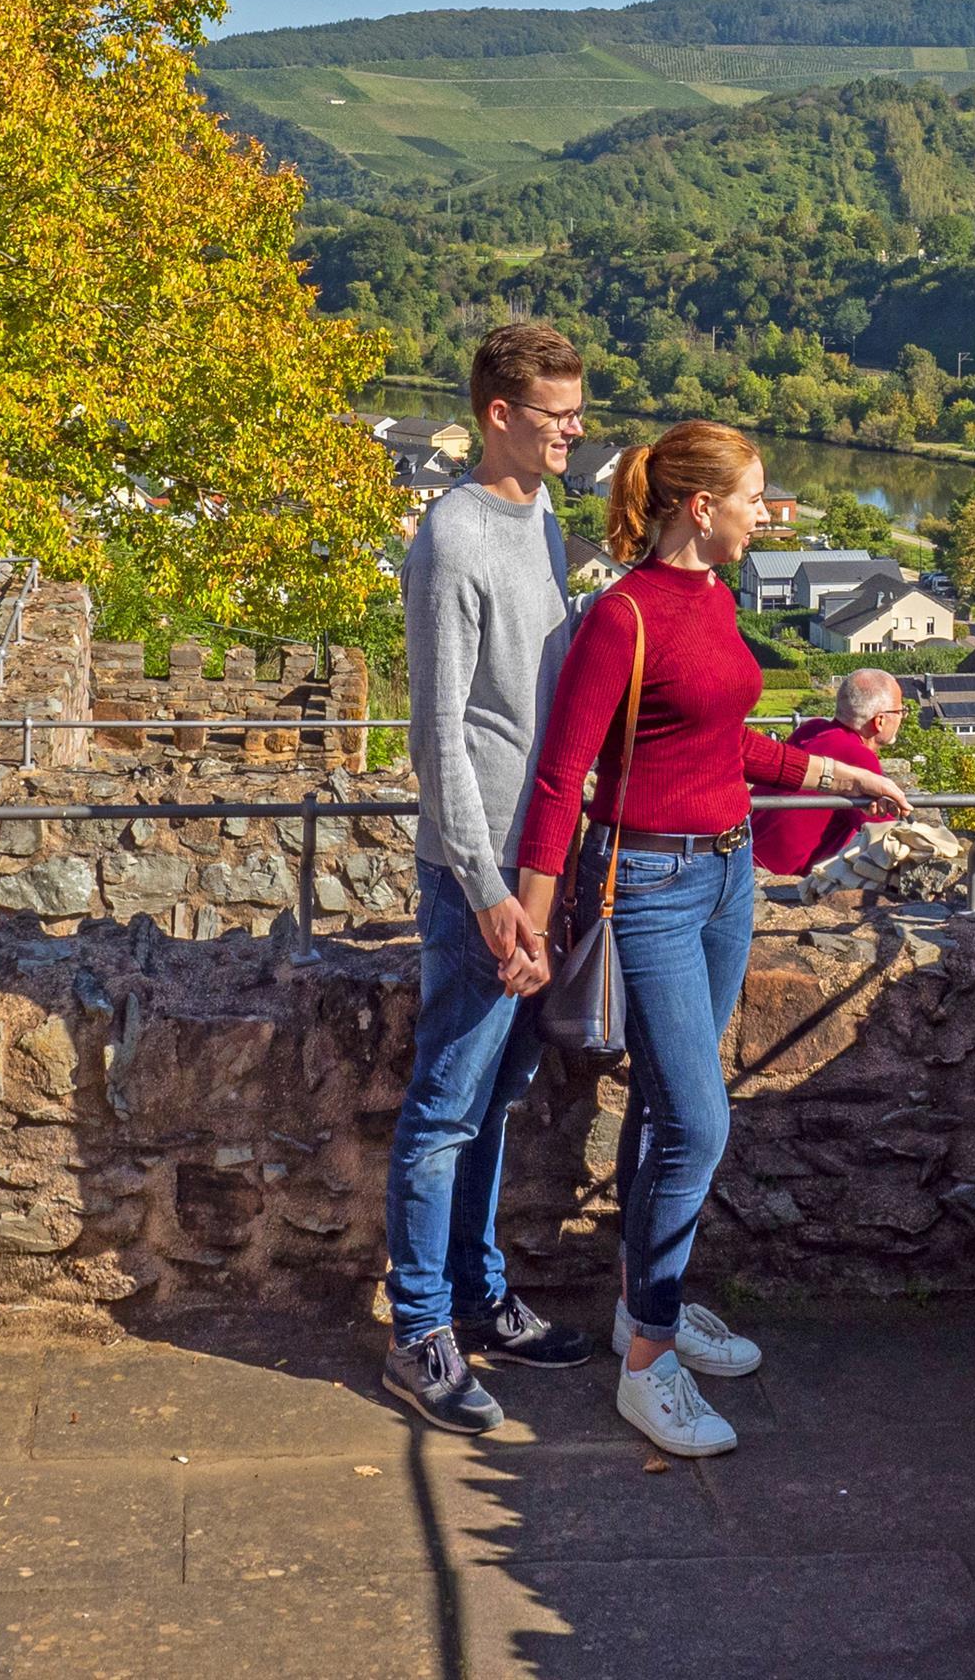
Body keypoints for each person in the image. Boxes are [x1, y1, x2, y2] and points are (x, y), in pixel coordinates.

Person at [514, 419, 907, 1458]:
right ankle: (647, 1364)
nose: (764, 514)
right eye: (753, 498)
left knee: (660, 1109)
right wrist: (528, 909)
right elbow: (563, 774)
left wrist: (840, 776)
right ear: (701, 506)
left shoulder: (713, 600)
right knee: (696, 1123)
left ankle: (645, 1304)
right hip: (644, 882)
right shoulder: (622, 617)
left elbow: (723, 740)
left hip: (730, 869)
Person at [379, 320, 602, 1435]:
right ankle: (418, 1328)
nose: (576, 430)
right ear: (499, 416)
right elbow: (441, 739)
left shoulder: (540, 514)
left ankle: (472, 1294)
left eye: (578, 411)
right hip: (486, 884)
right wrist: (486, 890)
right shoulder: (453, 539)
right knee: (443, 1109)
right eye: (558, 414)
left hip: (537, 866)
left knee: (494, 1101)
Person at [754, 667, 906, 877]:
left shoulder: (812, 728)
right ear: (879, 721)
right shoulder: (859, 758)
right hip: (777, 879)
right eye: (900, 711)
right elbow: (884, 836)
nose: (902, 717)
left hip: (747, 853)